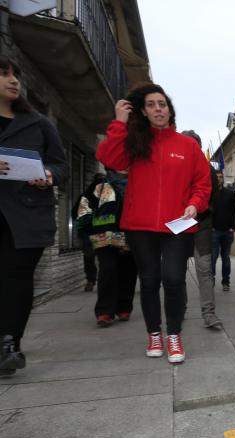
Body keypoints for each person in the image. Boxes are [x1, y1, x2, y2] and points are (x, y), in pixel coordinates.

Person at [96, 83, 211, 364]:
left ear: (169, 109)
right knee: (149, 281)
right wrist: (119, 123)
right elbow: (109, 157)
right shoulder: (136, 142)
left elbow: (203, 184)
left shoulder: (188, 146)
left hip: (177, 225)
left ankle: (174, 334)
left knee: (173, 278)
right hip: (140, 225)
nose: (158, 108)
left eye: (162, 103)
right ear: (143, 112)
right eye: (151, 104)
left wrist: (195, 204)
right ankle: (154, 334)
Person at [0, 56, 67, 377]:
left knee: (16, 277)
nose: (13, 80)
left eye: (16, 75)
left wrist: (49, 175)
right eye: (3, 74)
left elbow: (60, 165)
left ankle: (10, 342)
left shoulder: (38, 122)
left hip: (26, 215)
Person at [75, 170, 138, 327]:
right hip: (104, 236)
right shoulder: (100, 186)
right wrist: (86, 234)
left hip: (131, 235)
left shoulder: (139, 183)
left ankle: (124, 307)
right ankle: (104, 311)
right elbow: (83, 208)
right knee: (107, 269)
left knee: (128, 271)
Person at [181, 130, 222, 329]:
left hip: (202, 225)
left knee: (205, 270)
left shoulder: (208, 170)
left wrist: (200, 211)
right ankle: (179, 309)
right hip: (178, 225)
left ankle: (209, 313)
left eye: (193, 145)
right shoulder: (174, 166)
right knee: (176, 270)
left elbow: (214, 199)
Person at [211, 170, 235, 291]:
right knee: (213, 257)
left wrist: (234, 227)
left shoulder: (230, 194)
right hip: (214, 231)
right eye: (216, 177)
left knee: (226, 258)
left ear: (223, 179)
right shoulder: (209, 194)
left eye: (221, 177)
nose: (219, 179)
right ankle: (210, 280)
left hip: (228, 231)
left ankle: (226, 282)